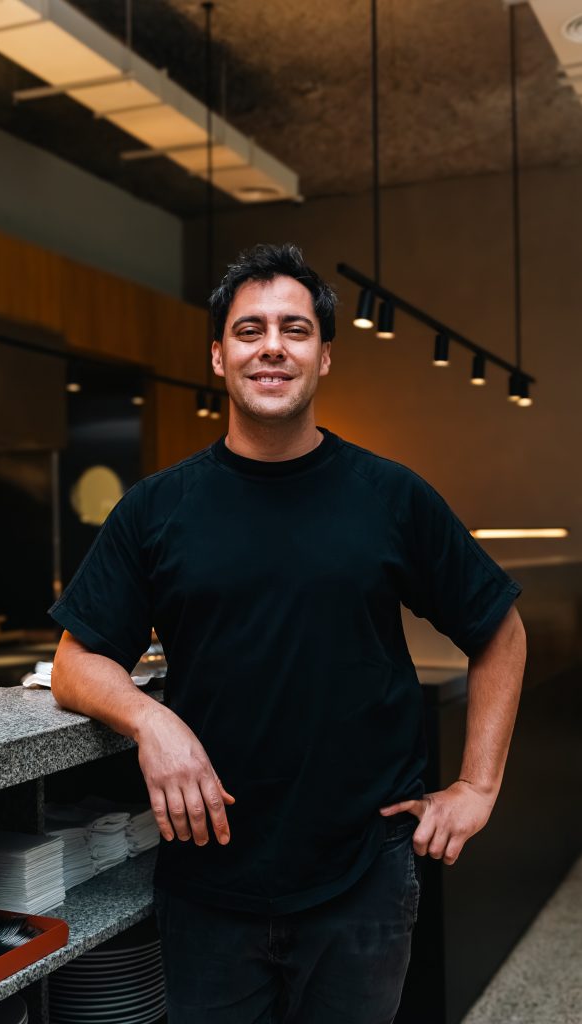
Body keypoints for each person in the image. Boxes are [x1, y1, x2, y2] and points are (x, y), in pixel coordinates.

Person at [49, 242, 526, 1024]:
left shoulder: (390, 496)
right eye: (249, 330)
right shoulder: (155, 509)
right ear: (218, 355)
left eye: (294, 329)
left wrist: (477, 786)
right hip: (208, 878)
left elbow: (499, 632)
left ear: (324, 356)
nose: (271, 346)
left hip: (361, 877)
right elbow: (75, 662)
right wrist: (151, 721)